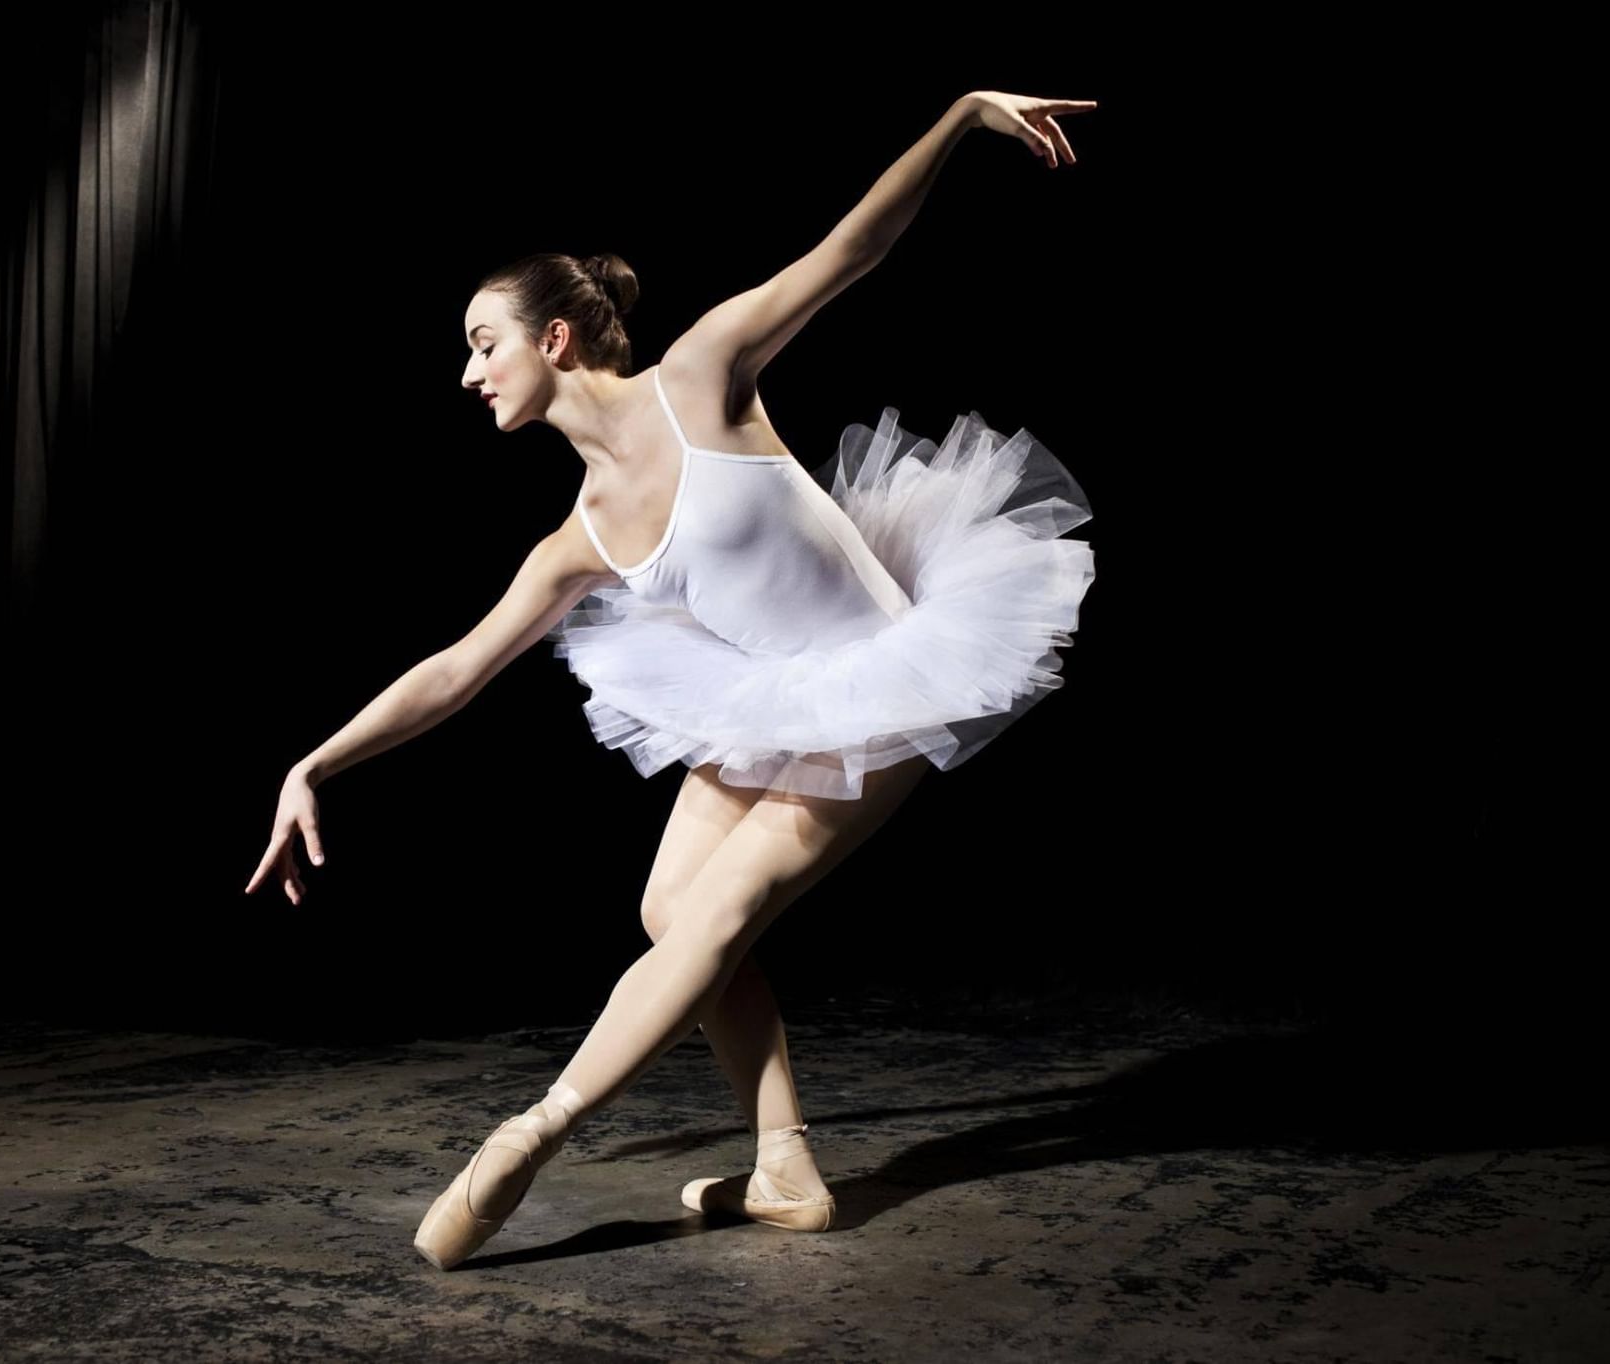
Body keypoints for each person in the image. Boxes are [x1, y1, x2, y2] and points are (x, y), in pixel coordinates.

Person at [244, 88, 1100, 1270]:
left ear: (554, 339)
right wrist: (314, 762)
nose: (466, 373)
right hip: (770, 697)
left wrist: (958, 119)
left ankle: (535, 1129)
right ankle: (784, 1165)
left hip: (884, 684)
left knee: (713, 916)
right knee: (666, 915)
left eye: (482, 343)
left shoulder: (698, 375)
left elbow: (848, 250)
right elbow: (454, 669)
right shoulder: (580, 534)